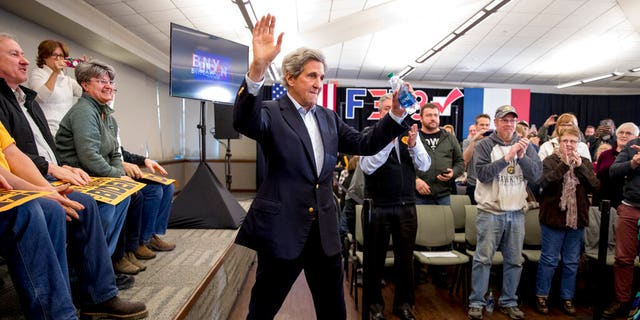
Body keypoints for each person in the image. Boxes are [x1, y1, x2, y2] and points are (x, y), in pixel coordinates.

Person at [232, 15, 410, 319]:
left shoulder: (328, 118)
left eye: (321, 77)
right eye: (312, 76)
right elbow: (243, 119)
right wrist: (258, 67)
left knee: (333, 312)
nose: (318, 83)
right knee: (261, 311)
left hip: (324, 234)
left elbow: (364, 144)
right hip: (282, 231)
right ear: (290, 78)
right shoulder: (271, 112)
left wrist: (393, 116)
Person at [0, 35, 129, 263]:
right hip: (40, 167)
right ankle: (94, 268)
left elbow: (115, 149)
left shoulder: (36, 98)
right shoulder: (39, 82)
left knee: (129, 194)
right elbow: (15, 155)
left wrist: (61, 167)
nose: (24, 60)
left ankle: (108, 263)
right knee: (87, 204)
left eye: (64, 57)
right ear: (45, 58)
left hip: (51, 162)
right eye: (57, 56)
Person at [0, 120, 147, 318]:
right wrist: (39, 191)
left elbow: (13, 155)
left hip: (17, 183)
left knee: (76, 204)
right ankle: (59, 314)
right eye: (105, 84)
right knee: (32, 210)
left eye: (112, 85)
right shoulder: (83, 114)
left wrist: (46, 190)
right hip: (13, 189)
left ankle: (98, 295)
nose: (109, 87)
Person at [359, 93, 430, 320]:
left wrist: (414, 145)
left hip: (407, 206)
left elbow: (425, 165)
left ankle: (404, 305)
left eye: (397, 108)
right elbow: (368, 166)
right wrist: (388, 140)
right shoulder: (369, 135)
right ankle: (374, 306)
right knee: (374, 260)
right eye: (389, 108)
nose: (395, 112)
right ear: (381, 113)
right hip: (378, 206)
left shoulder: (409, 134)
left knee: (405, 260)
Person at [467, 105, 542, 320]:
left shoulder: (527, 146)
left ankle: (509, 301)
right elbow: (482, 175)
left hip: (517, 213)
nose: (508, 124)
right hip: (490, 212)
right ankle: (476, 302)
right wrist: (507, 157)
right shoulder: (484, 145)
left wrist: (522, 156)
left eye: (512, 120)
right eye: (504, 120)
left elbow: (536, 176)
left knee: (514, 261)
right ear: (497, 123)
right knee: (483, 259)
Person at [535, 126, 599, 316]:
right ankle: (542, 295)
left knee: (571, 262)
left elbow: (595, 186)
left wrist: (579, 168)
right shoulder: (549, 161)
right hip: (552, 219)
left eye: (573, 141)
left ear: (578, 144)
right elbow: (544, 183)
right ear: (559, 142)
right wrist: (564, 165)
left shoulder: (585, 162)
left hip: (576, 220)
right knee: (549, 260)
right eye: (566, 141)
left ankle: (567, 297)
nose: (569, 145)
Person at [603, 128, 640, 319]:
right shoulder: (632, 147)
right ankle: (622, 301)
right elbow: (613, 171)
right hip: (630, 208)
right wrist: (633, 163)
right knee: (623, 259)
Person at [27, 39, 83, 135]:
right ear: (44, 56)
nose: (58, 58)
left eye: (61, 55)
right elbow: (41, 97)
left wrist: (86, 72)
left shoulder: (68, 80)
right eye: (54, 55)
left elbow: (87, 93)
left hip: (66, 131)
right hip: (46, 130)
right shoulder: (38, 74)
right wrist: (55, 73)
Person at [415, 102, 463, 205]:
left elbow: (460, 162)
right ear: (421, 118)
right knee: (421, 221)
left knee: (446, 221)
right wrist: (415, 180)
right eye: (428, 115)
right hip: (418, 195)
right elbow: (404, 164)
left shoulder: (450, 137)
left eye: (436, 115)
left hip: (444, 195)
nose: (433, 118)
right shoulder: (414, 138)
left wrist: (453, 173)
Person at [593, 123, 639, 209]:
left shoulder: (637, 157)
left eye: (628, 133)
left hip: (626, 201)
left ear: (636, 138)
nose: (624, 135)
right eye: (621, 132)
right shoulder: (605, 154)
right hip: (603, 198)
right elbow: (597, 177)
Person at [462, 113, 491, 204]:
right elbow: (465, 160)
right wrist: (474, 141)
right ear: (476, 126)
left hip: (490, 183)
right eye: (482, 125)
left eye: (487, 125)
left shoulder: (494, 141)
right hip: (473, 183)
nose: (484, 127)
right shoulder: (468, 141)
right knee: (473, 213)